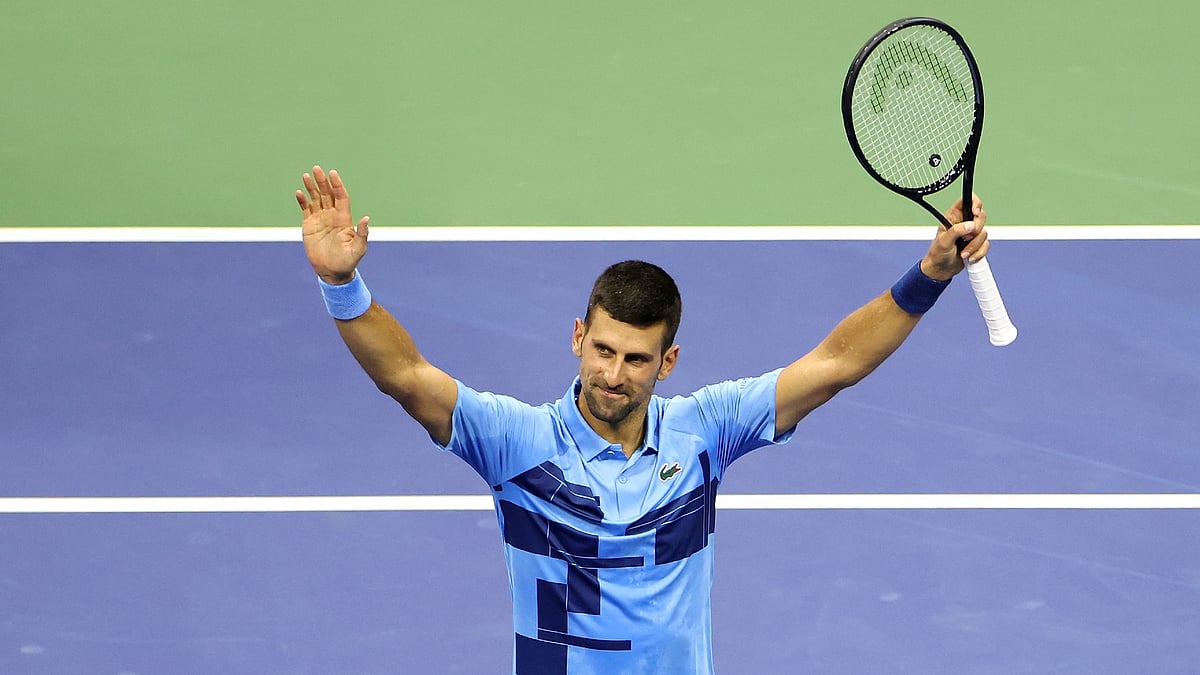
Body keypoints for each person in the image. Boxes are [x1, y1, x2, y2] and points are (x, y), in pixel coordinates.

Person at [295, 165, 989, 675]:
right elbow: (405, 377)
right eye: (601, 349)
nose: (612, 373)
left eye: (634, 357)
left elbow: (835, 363)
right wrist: (340, 283)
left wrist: (927, 274)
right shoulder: (517, 442)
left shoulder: (705, 432)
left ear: (669, 360)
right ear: (576, 336)